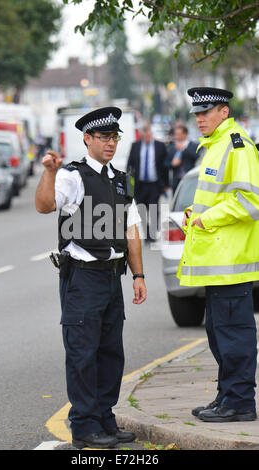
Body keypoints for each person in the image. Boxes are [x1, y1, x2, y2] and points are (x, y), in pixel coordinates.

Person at [35, 107, 147, 449]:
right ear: (88, 139)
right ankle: (84, 426)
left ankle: (104, 418)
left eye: (115, 137)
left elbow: (131, 229)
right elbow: (43, 206)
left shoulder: (120, 178)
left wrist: (138, 274)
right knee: (83, 353)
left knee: (111, 352)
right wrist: (49, 173)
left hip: (113, 277)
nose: (111, 143)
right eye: (104, 137)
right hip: (83, 278)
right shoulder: (72, 176)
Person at [177, 87, 259, 423]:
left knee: (234, 336)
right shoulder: (215, 146)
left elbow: (250, 201)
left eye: (206, 112)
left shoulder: (236, 144)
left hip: (231, 264)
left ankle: (240, 402)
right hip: (218, 264)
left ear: (224, 112)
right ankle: (228, 395)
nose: (199, 119)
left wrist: (205, 218)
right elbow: (218, 197)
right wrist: (192, 215)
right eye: (196, 113)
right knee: (219, 335)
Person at [126, 121, 168, 242]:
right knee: (141, 210)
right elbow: (130, 166)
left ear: (151, 132)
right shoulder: (135, 146)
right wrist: (129, 185)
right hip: (140, 185)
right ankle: (147, 234)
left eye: (149, 133)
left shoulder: (160, 146)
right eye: (144, 134)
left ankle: (153, 233)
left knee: (154, 209)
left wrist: (166, 184)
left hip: (155, 184)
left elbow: (165, 167)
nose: (147, 136)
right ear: (141, 135)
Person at [166, 125, 199, 194]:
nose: (177, 136)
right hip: (176, 181)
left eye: (179, 134)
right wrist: (172, 164)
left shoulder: (194, 145)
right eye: (175, 134)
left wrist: (183, 149)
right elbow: (166, 164)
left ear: (185, 134)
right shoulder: (172, 147)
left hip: (190, 180)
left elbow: (196, 157)